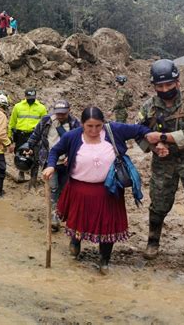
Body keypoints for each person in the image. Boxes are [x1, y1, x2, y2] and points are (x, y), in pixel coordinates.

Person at [42, 107, 156, 274]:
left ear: (104, 123)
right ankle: (75, 243)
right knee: (79, 221)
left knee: (107, 227)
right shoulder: (72, 136)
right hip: (79, 190)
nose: (94, 130)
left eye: (98, 125)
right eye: (89, 126)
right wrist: (51, 165)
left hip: (109, 191)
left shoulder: (114, 130)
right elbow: (55, 150)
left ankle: (104, 261)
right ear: (82, 124)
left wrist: (153, 138)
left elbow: (139, 129)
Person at [136, 59, 184, 277]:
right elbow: (139, 133)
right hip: (163, 162)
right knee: (159, 204)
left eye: (168, 85)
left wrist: (164, 137)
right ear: (154, 86)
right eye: (160, 86)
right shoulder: (148, 107)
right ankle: (153, 242)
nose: (165, 90)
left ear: (177, 80)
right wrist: (155, 148)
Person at [27, 100, 80, 231]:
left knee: (64, 189)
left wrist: (72, 154)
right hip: (49, 161)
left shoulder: (75, 124)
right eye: (58, 113)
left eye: (63, 113)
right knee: (54, 188)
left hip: (67, 163)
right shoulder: (46, 121)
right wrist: (29, 147)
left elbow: (80, 142)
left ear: (69, 110)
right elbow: (35, 135)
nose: (60, 116)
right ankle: (54, 216)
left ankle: (60, 212)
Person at [9, 88, 47, 188]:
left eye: (33, 98)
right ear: (25, 96)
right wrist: (11, 138)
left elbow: (45, 124)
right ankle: (21, 172)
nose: (31, 100)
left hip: (34, 135)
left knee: (35, 156)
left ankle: (33, 179)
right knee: (20, 154)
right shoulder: (18, 106)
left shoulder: (41, 108)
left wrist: (44, 138)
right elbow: (12, 123)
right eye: (29, 98)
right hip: (20, 135)